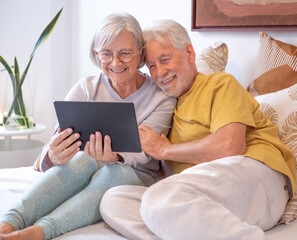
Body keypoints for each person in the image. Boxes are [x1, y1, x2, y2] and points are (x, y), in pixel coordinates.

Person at [100, 19, 297, 240]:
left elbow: (230, 146)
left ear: (189, 52)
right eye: (152, 66)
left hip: (259, 174)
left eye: (165, 60)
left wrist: (165, 151)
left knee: (162, 197)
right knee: (113, 201)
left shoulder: (220, 84)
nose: (159, 73)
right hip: (200, 193)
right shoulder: (166, 107)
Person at [0, 13, 176, 240]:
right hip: (84, 165)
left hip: (134, 174)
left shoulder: (161, 97)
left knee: (113, 173)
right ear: (96, 55)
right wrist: (52, 155)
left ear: (140, 54)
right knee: (82, 160)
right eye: (106, 54)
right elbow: (50, 149)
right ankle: (8, 223)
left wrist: (115, 157)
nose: (115, 62)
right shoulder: (84, 89)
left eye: (125, 53)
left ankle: (38, 232)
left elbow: (145, 153)